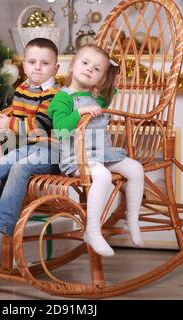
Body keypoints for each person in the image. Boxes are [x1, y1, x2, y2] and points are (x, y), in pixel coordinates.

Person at [48, 44, 144, 257]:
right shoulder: (62, 97)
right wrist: (80, 112)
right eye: (85, 63)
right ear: (72, 66)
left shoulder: (97, 97)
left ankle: (132, 220)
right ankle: (92, 230)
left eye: (97, 69)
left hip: (103, 153)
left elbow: (109, 91)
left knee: (135, 168)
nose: (90, 69)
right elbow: (61, 129)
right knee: (102, 175)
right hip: (77, 157)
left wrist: (112, 72)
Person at [0, 38, 60, 247]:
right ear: (24, 64)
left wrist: (8, 123)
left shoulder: (56, 95)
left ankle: (2, 226)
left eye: (45, 63)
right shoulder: (22, 89)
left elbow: (41, 126)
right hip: (28, 147)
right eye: (32, 62)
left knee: (19, 168)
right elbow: (17, 120)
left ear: (56, 68)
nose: (37, 67)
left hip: (52, 150)